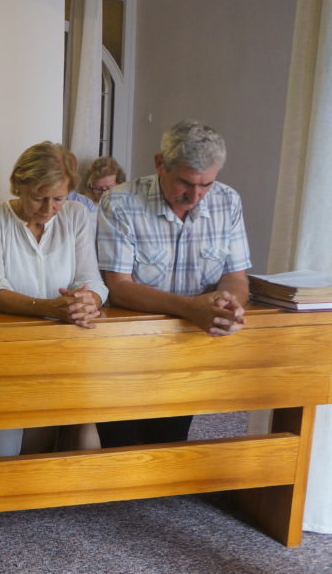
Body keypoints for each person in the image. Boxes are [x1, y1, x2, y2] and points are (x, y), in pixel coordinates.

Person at [96, 120, 250, 448]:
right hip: (127, 349)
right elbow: (119, 288)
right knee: (121, 449)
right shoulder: (120, 203)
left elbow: (235, 276)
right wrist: (190, 308)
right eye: (185, 182)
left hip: (188, 348)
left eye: (206, 184)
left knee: (170, 444)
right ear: (159, 164)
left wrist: (230, 302)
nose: (195, 196)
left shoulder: (227, 201)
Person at [0, 142, 107, 457]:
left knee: (83, 429)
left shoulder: (76, 214)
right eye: (39, 197)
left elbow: (93, 281)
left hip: (60, 351)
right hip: (3, 353)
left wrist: (87, 300)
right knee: (2, 457)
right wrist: (49, 308)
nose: (48, 208)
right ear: (19, 185)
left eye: (58, 198)